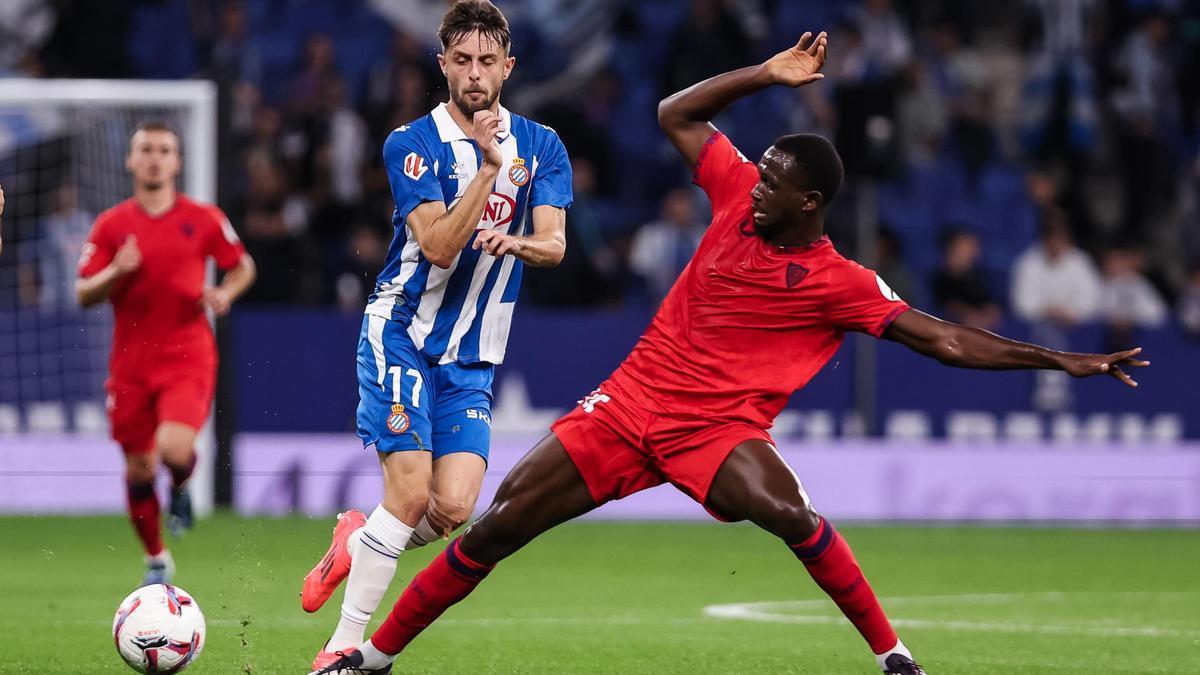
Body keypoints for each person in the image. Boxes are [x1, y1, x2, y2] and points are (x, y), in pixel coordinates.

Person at [315, 33, 1149, 675]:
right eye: (759, 169)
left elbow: (946, 338)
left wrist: (1061, 361)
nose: (755, 182)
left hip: (719, 428)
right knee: (495, 528)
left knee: (791, 513)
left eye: (773, 179)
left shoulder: (839, 281)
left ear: (809, 202)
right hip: (629, 405)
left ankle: (893, 655)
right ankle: (370, 658)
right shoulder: (731, 193)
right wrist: (765, 74)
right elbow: (673, 114)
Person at [299, 1, 573, 671]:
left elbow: (556, 244)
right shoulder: (410, 144)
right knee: (412, 492)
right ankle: (344, 647)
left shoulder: (542, 145)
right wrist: (485, 169)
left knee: (452, 508)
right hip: (401, 333)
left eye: (488, 61)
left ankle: (358, 539)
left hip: (473, 357)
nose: (475, 74)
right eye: (463, 60)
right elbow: (439, 246)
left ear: (507, 66)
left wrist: (520, 242)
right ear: (442, 63)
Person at [75, 121, 256, 585]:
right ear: (130, 160)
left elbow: (242, 266)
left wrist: (226, 294)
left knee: (175, 452)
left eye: (164, 150)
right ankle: (157, 558)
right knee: (138, 468)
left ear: (177, 162)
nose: (155, 158)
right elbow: (83, 293)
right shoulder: (112, 225)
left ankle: (180, 485)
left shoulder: (204, 217)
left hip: (186, 357)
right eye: (146, 149)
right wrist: (116, 269)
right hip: (130, 366)